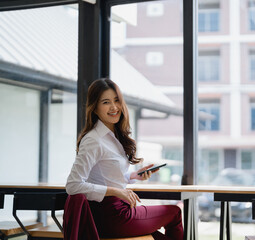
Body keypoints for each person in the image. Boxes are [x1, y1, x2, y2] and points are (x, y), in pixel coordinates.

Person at [66, 78, 183, 240]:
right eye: (106, 102)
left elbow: (106, 177)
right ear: (95, 108)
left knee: (158, 237)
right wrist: (116, 191)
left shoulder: (114, 137)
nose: (114, 107)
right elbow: (73, 185)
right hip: (110, 215)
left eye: (116, 100)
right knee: (175, 212)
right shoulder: (94, 140)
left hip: (118, 211)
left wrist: (134, 176)